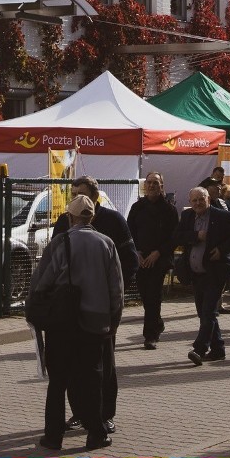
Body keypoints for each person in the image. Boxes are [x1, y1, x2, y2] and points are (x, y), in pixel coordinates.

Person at [29, 195, 123, 453]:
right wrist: (113, 321)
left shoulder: (61, 241)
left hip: (62, 323)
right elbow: (117, 290)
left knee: (58, 382)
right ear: (91, 217)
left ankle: (53, 437)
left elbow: (41, 282)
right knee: (91, 380)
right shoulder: (107, 244)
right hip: (95, 325)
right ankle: (96, 434)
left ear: (70, 217)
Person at [53, 176, 137, 436]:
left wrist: (112, 298)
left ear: (95, 197)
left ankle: (104, 415)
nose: (76, 197)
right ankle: (80, 412)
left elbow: (129, 261)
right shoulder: (64, 223)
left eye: (82, 193)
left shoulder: (112, 222)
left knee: (104, 365)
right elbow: (53, 261)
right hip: (71, 312)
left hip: (100, 311)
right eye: (73, 192)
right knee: (74, 366)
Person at [174, 186, 230, 365]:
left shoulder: (221, 216)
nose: (198, 203)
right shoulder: (188, 216)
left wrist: (221, 250)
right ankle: (218, 349)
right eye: (194, 200)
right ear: (190, 202)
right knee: (204, 313)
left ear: (208, 199)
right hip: (196, 273)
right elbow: (177, 237)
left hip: (216, 273)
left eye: (201, 199)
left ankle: (199, 349)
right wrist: (196, 235)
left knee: (208, 312)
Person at [127, 171, 179, 349]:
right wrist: (137, 252)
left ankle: (150, 336)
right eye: (149, 183)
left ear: (161, 186)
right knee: (145, 296)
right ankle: (157, 322)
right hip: (141, 258)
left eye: (155, 183)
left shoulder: (169, 210)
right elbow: (129, 232)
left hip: (160, 259)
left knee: (154, 296)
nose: (151, 186)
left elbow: (174, 237)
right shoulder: (137, 207)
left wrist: (158, 252)